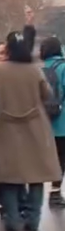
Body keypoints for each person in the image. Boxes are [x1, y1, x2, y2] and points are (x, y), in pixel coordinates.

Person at [0, 29, 61, 231]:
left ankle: (12, 218)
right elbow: (47, 93)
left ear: (8, 48)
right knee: (36, 174)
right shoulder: (34, 69)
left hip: (4, 126)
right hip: (35, 126)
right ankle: (33, 219)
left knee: (7, 174)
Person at [40, 36, 65, 208]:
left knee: (53, 157)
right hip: (62, 120)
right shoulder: (63, 67)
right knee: (62, 158)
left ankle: (50, 191)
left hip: (44, 120)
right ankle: (55, 192)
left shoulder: (39, 69)